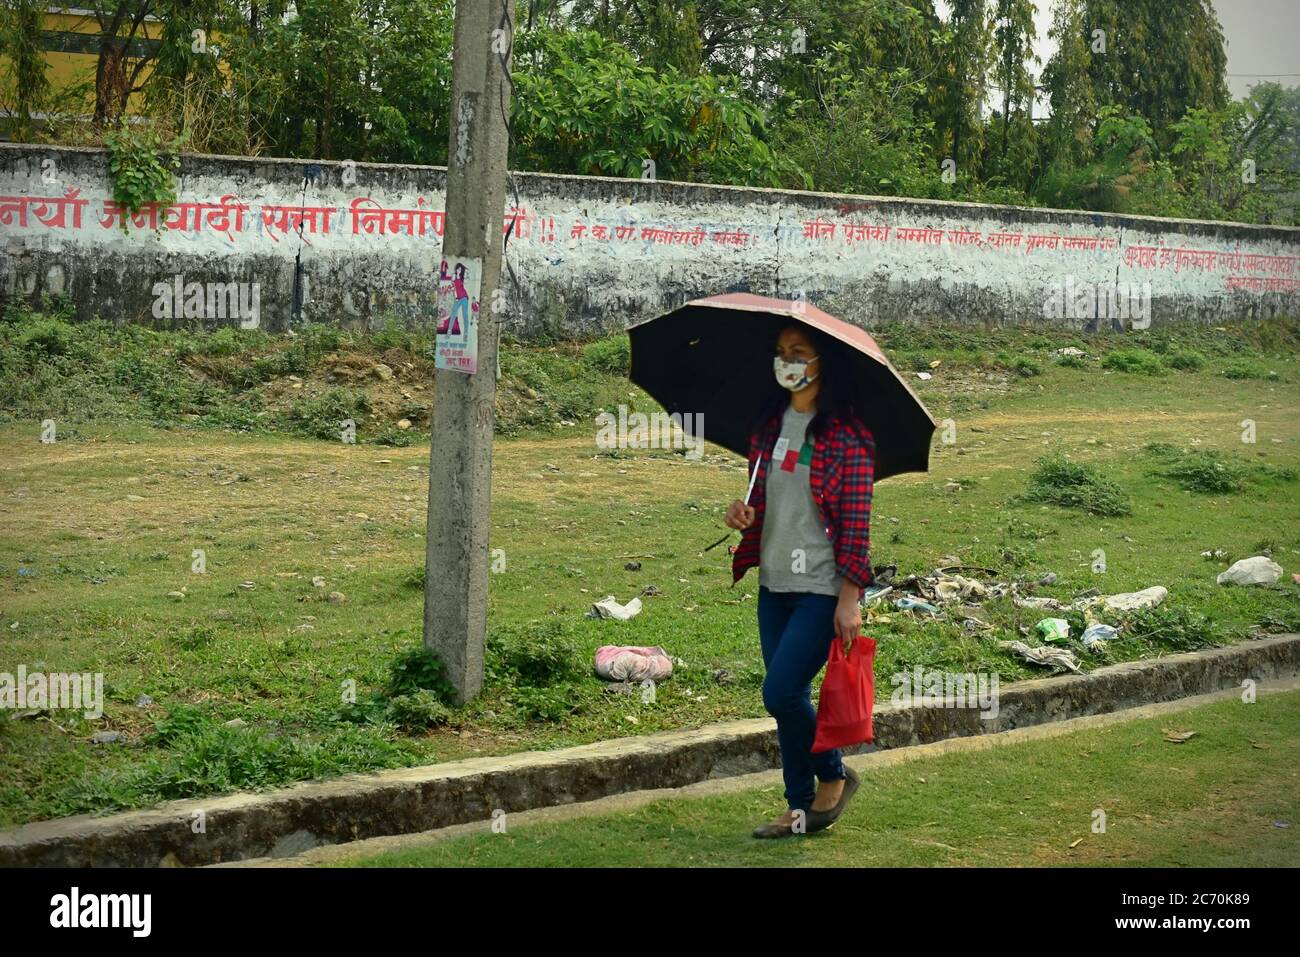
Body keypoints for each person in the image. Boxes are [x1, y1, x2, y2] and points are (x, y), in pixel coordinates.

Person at [724, 322, 876, 838]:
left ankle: (833, 775)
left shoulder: (848, 438)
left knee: (780, 693)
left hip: (821, 588)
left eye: (798, 352)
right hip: (774, 585)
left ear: (821, 363)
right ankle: (797, 810)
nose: (786, 361)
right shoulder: (769, 426)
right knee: (788, 705)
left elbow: (857, 526)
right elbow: (765, 502)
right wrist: (744, 513)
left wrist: (849, 600)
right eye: (780, 352)